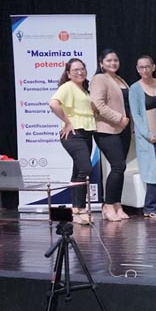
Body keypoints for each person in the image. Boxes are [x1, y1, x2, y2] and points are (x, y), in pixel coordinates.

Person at [49, 58, 96, 225]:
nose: (80, 72)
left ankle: (76, 211)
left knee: (78, 171)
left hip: (86, 133)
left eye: (82, 69)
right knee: (85, 168)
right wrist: (67, 121)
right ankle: (80, 208)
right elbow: (53, 104)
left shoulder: (84, 89)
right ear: (68, 74)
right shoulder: (67, 87)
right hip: (74, 133)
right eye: (75, 70)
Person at [89, 49, 132, 222]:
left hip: (124, 129)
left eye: (115, 60)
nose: (113, 63)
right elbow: (97, 104)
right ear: (101, 63)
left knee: (121, 168)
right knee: (118, 166)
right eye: (109, 60)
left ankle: (117, 204)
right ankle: (107, 205)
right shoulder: (100, 79)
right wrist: (118, 118)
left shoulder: (120, 80)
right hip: (106, 129)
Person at [128, 55, 156, 218]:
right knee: (155, 168)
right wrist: (147, 134)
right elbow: (136, 115)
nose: (144, 70)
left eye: (147, 66)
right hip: (146, 136)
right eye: (141, 67)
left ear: (153, 67)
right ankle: (150, 206)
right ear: (137, 69)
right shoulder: (135, 88)